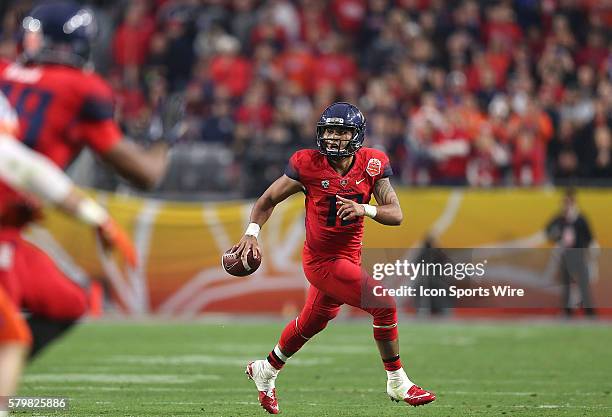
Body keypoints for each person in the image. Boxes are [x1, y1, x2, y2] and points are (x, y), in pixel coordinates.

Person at [232, 102, 436, 414]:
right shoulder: (307, 164)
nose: (333, 137)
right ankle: (397, 380)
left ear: (356, 135)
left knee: (311, 323)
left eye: (341, 131)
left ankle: (266, 370)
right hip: (321, 261)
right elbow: (268, 199)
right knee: (383, 304)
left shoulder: (373, 163)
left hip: (349, 258)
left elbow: (396, 214)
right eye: (328, 130)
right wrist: (251, 232)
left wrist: (364, 208)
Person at [0, 1, 169, 358]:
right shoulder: (80, 88)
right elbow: (146, 174)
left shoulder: (4, 71)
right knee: (12, 332)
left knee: (68, 303)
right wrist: (163, 141)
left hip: (11, 226)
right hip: (5, 227)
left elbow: (29, 167)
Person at [0, 91, 136, 412]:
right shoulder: (9, 152)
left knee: (69, 301)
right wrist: (102, 222)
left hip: (10, 244)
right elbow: (44, 178)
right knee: (12, 337)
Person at [545, 188, 596, 317]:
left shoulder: (580, 219)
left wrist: (592, 256)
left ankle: (589, 312)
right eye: (564, 202)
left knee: (583, 285)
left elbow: (589, 237)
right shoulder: (560, 219)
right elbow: (548, 230)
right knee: (566, 285)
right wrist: (555, 236)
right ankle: (568, 311)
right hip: (566, 256)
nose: (566, 205)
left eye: (568, 202)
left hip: (579, 254)